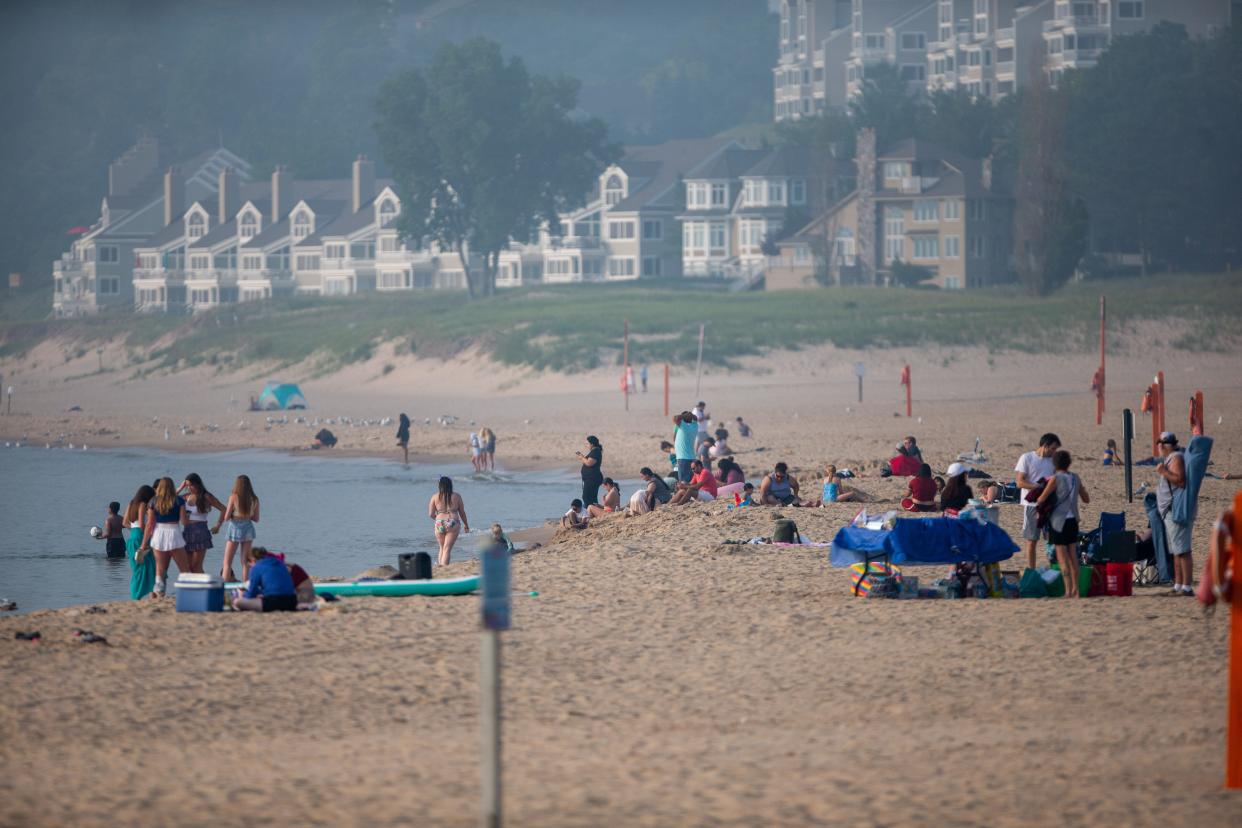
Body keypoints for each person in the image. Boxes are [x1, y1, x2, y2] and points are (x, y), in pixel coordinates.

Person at [1036, 450, 1089, 599]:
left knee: (1062, 558)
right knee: (1074, 557)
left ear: (1055, 463)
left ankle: (1068, 591)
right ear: (1069, 463)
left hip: (1058, 522)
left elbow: (1042, 498)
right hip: (1073, 521)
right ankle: (1076, 590)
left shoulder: (1055, 479)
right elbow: (1086, 499)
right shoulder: (1075, 478)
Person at [1155, 432, 1193, 595]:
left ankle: (1187, 587)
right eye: (1160, 442)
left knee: (1183, 550)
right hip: (1169, 511)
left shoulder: (1176, 457)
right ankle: (1178, 585)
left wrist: (1163, 471)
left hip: (1175, 510)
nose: (1162, 446)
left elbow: (1180, 480)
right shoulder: (1171, 457)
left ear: (1173, 444)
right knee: (1176, 550)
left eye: (1165, 443)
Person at [1015, 433, 1061, 570]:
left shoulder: (1053, 461)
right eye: (1053, 448)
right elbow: (1020, 482)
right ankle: (1032, 570)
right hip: (1031, 505)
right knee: (1032, 540)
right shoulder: (1027, 458)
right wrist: (1038, 487)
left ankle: (1055, 569)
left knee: (1053, 541)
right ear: (1045, 446)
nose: (1054, 452)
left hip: (1050, 505)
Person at [139, 477, 188, 598]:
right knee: (183, 568)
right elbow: (184, 522)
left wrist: (143, 545)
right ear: (172, 487)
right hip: (174, 533)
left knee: (160, 568)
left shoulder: (153, 501)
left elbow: (150, 525)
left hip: (159, 534)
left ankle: (159, 592)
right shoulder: (179, 500)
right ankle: (186, 591)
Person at [178, 472, 225, 575]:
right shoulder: (185, 497)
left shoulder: (206, 496)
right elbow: (169, 499)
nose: (190, 488)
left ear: (198, 484)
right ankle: (194, 589)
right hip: (187, 532)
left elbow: (223, 509)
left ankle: (205, 588)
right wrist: (181, 487)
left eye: (192, 485)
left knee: (196, 566)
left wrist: (218, 525)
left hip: (200, 532)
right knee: (189, 567)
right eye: (188, 485)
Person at [218, 474, 260, 582]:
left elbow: (226, 517)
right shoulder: (254, 499)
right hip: (248, 529)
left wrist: (234, 515)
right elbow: (256, 518)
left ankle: (224, 587)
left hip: (234, 528)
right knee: (245, 561)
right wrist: (247, 515)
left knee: (227, 562)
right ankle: (246, 585)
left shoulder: (233, 497)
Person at [231, 547, 298, 612]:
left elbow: (251, 594)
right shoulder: (280, 563)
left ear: (253, 560)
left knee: (237, 602)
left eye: (250, 566)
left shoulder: (257, 567)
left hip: (274, 602)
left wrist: (242, 594)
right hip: (292, 601)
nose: (250, 568)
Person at [124, 485, 156, 600]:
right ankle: (140, 596)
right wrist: (147, 536)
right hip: (140, 538)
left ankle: (137, 596)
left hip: (132, 538)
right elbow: (143, 525)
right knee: (147, 568)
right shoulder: (142, 504)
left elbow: (125, 523)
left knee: (137, 569)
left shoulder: (131, 503)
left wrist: (134, 530)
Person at [428, 476, 469, 566]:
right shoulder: (457, 496)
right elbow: (462, 512)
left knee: (442, 547)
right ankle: (444, 567)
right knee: (447, 548)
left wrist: (439, 519)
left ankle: (440, 566)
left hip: (439, 523)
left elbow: (430, 514)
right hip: (452, 521)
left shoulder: (435, 497)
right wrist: (466, 525)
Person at [577, 435, 604, 506]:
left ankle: (592, 511)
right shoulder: (594, 451)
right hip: (590, 478)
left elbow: (589, 463)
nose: (586, 445)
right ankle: (592, 512)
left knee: (587, 497)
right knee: (591, 497)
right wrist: (583, 457)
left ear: (592, 444)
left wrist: (582, 457)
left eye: (587, 444)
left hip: (593, 478)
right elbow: (587, 462)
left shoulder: (596, 451)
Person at [673, 412, 697, 484]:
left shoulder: (683, 426)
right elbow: (696, 418)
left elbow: (675, 418)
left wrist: (683, 416)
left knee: (684, 482)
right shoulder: (695, 426)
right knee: (691, 481)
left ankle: (685, 495)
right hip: (692, 457)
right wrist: (691, 415)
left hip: (683, 458)